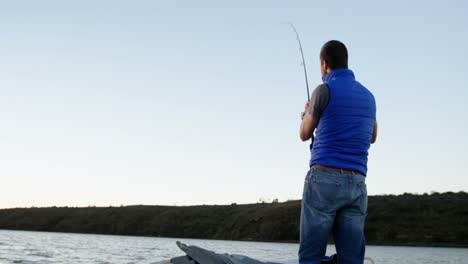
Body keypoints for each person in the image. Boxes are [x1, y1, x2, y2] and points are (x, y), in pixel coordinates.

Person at [298, 40, 377, 264]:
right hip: (357, 184)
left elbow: (304, 133)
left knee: (311, 256)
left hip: (323, 179)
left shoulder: (323, 91)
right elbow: (372, 136)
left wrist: (306, 113)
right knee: (351, 259)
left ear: (324, 64)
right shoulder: (369, 97)